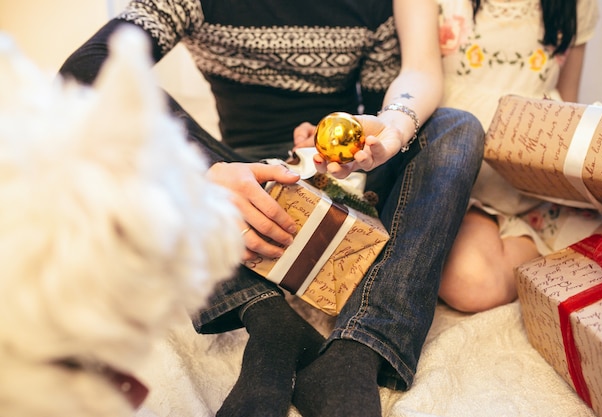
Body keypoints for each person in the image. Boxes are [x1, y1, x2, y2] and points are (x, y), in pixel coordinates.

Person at [59, 0, 484, 416]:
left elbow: (377, 105)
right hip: (241, 176)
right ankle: (270, 324)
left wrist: (364, 133)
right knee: (127, 132)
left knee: (456, 128)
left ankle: (359, 351)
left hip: (334, 176)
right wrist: (208, 172)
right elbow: (85, 69)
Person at [436, 0, 602, 313]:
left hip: (540, 183)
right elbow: (418, 77)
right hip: (468, 187)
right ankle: (564, 255)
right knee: (470, 285)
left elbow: (568, 106)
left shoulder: (575, 5)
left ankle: (555, 250)